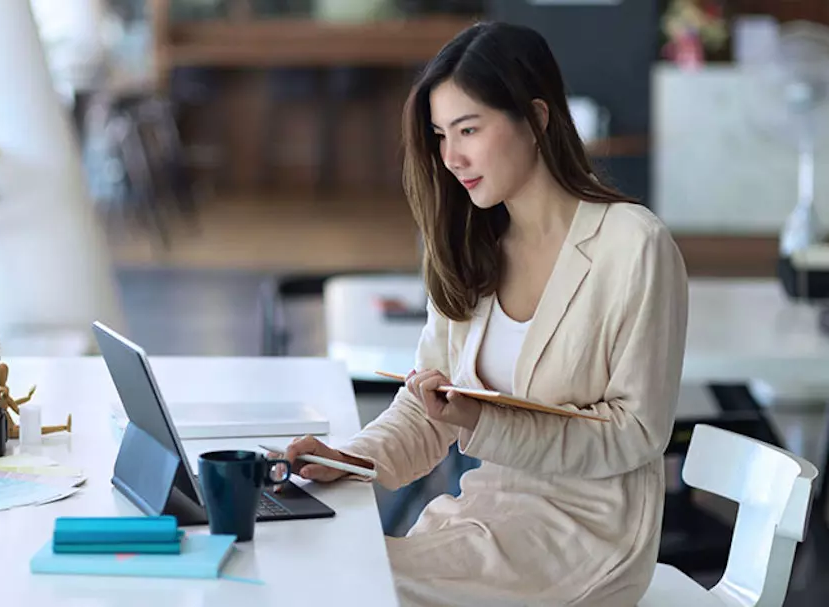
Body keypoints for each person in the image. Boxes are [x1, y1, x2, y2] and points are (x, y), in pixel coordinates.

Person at [279, 21, 689, 607]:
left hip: (588, 541)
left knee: (360, 587)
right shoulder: (473, 242)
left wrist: (480, 420)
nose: (451, 157)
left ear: (538, 118)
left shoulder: (634, 246)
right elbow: (428, 412)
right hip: (481, 519)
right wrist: (348, 459)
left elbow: (638, 434)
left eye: (469, 129)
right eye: (440, 135)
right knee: (322, 565)